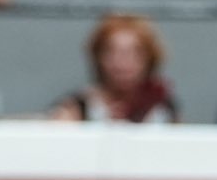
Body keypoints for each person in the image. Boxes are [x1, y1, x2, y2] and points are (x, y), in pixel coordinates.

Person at [48, 12, 179, 124]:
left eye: (135, 53)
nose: (122, 62)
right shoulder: (77, 108)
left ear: (150, 58)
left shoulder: (163, 109)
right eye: (111, 52)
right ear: (98, 57)